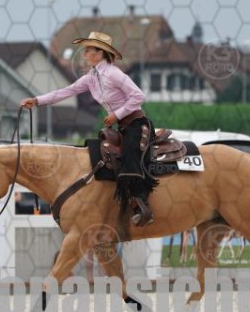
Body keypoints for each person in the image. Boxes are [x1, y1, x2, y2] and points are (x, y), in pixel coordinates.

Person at [21, 31, 157, 226]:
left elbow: (138, 96)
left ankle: (142, 207)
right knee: (101, 155)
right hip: (122, 127)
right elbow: (66, 92)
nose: (84, 54)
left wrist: (116, 115)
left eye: (88, 50)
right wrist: (36, 101)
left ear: (100, 53)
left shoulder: (114, 74)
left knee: (129, 156)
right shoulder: (91, 78)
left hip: (137, 124)